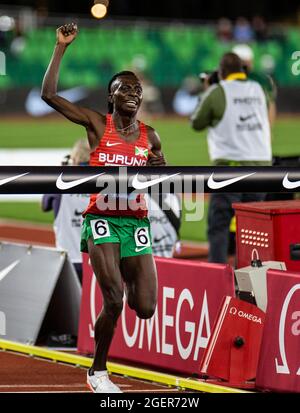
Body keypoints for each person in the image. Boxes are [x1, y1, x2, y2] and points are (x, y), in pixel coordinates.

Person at [41, 23, 166, 393]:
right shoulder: (98, 123)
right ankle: (98, 371)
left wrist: (158, 171)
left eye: (137, 88)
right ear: (111, 97)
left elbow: (158, 171)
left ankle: (116, 300)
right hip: (102, 220)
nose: (132, 92)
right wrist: (60, 47)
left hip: (136, 222)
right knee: (113, 299)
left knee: (144, 307)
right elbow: (48, 95)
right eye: (124, 87)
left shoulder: (151, 135)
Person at [191, 52, 272, 264]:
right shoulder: (258, 89)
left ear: (222, 72)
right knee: (253, 228)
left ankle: (217, 278)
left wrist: (208, 90)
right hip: (263, 168)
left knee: (219, 224)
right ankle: (252, 275)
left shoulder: (218, 91)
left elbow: (197, 122)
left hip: (231, 168)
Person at [41, 139, 90, 284]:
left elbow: (44, 205)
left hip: (66, 259)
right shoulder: (102, 181)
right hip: (95, 261)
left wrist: (60, 172)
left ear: (74, 158)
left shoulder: (61, 183)